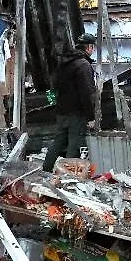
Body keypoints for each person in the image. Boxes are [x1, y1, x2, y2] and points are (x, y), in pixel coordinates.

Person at [43, 34, 97, 172]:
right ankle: (67, 178)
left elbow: (53, 87)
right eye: (93, 47)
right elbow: (87, 94)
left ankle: (46, 171)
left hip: (62, 112)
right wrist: (91, 117)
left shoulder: (64, 63)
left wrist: (55, 104)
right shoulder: (84, 65)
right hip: (76, 114)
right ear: (89, 47)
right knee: (74, 146)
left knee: (58, 143)